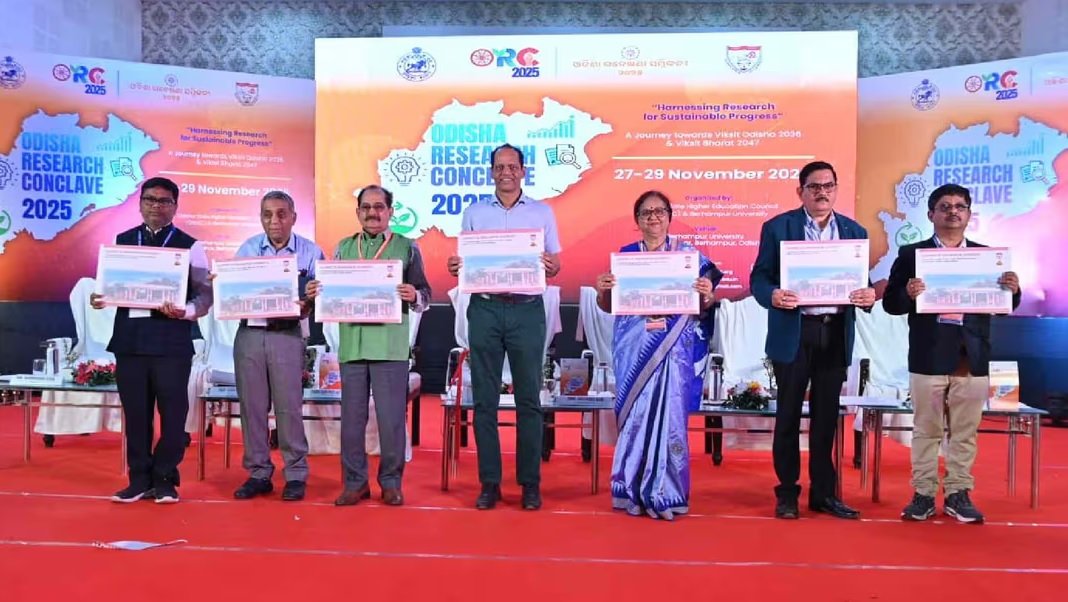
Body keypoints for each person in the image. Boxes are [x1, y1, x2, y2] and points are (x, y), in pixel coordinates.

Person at [883, 183, 1021, 524]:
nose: (953, 212)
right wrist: (907, 293)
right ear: (931, 214)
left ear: (969, 214)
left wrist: (1014, 290)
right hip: (928, 355)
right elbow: (890, 304)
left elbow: (1005, 305)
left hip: (971, 356)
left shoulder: (987, 257)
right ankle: (923, 494)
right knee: (926, 430)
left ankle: (959, 493)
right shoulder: (911, 255)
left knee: (964, 432)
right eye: (945, 206)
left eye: (960, 206)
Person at [750, 161, 874, 520]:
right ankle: (787, 492)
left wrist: (868, 295)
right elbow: (759, 278)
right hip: (795, 332)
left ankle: (823, 493)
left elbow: (860, 283)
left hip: (834, 332)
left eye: (828, 186)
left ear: (835, 189)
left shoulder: (853, 231)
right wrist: (772, 294)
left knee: (826, 418)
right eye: (814, 186)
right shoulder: (778, 228)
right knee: (788, 414)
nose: (822, 192)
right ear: (800, 191)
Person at [446, 143, 561, 511]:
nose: (506, 172)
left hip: (527, 310)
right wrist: (456, 266)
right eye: (499, 166)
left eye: (512, 166)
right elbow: (464, 261)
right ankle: (489, 482)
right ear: (491, 171)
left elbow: (555, 262)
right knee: (485, 400)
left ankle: (530, 483)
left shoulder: (543, 212)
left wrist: (551, 265)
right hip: (485, 308)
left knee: (529, 400)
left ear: (523, 171)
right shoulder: (475, 213)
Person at [594, 191, 721, 520]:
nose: (653, 217)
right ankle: (630, 489)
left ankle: (667, 491)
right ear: (637, 220)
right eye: (646, 212)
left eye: (660, 211)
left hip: (674, 347)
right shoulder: (625, 257)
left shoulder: (689, 257)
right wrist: (602, 291)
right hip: (634, 345)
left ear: (669, 216)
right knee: (635, 415)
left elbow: (703, 305)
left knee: (671, 416)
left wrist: (706, 295)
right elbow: (608, 306)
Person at [90, 177, 213, 504]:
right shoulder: (122, 241)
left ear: (175, 206)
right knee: (136, 416)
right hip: (130, 341)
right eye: (149, 200)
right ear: (140, 203)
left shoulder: (190, 246)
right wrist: (100, 297)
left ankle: (165, 478)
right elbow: (109, 286)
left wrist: (185, 311)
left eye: (163, 201)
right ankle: (139, 480)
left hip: (171, 342)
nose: (156, 206)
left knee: (173, 418)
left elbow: (205, 296)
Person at [306, 185, 430, 507]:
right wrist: (318, 291)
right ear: (358, 212)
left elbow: (425, 294)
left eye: (379, 207)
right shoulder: (344, 248)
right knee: (351, 421)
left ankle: (391, 483)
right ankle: (354, 483)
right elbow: (330, 292)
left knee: (391, 421)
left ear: (390, 211)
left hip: (390, 346)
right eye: (366, 207)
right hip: (353, 345)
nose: (372, 213)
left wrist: (414, 295)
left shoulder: (407, 247)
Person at [229, 191, 324, 502]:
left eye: (282, 213)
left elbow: (324, 297)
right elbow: (232, 291)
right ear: (260, 217)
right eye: (267, 214)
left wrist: (310, 301)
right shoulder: (248, 249)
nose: (274, 220)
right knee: (252, 407)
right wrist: (223, 284)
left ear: (294, 217)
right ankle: (258, 473)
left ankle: (295, 474)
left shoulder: (311, 252)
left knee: (288, 408)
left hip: (287, 335)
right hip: (250, 334)